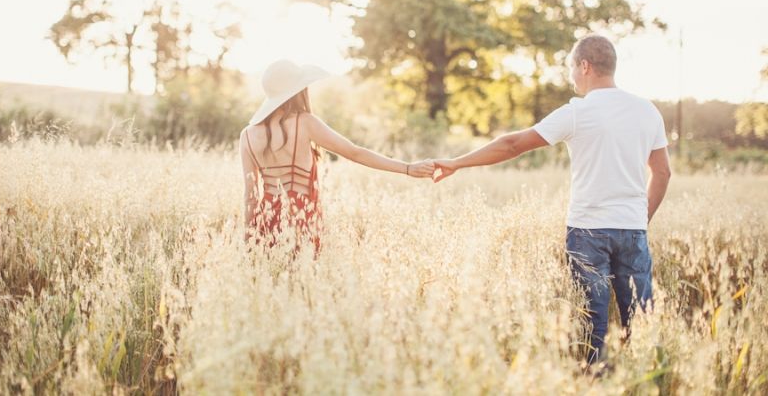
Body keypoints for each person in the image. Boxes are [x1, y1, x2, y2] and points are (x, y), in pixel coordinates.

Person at [432, 35, 672, 366]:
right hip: (633, 230)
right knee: (643, 323)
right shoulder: (647, 111)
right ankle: (647, 382)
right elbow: (662, 173)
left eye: (573, 67)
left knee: (593, 329)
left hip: (588, 233)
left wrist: (457, 162)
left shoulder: (579, 112)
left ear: (585, 66)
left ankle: (595, 384)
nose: (572, 75)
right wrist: (639, 219)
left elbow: (513, 144)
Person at [240, 59, 435, 253]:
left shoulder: (247, 135)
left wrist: (249, 241)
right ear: (297, 91)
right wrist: (408, 168)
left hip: (265, 225)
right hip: (302, 220)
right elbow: (355, 153)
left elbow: (251, 197)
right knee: (306, 281)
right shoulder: (305, 123)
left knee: (271, 280)